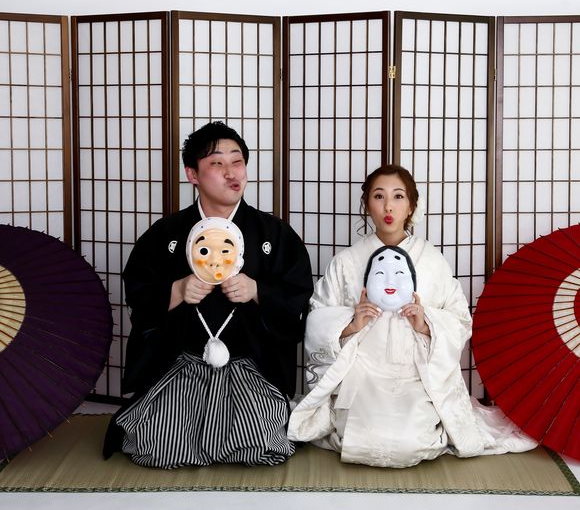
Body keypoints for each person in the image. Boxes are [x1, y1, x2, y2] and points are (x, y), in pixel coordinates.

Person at [287, 164, 536, 468]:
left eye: (398, 196)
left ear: (411, 206)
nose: (388, 207)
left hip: (417, 377)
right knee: (365, 439)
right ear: (367, 204)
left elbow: (459, 319)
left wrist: (426, 322)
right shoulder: (347, 262)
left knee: (407, 443)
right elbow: (317, 318)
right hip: (361, 376)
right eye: (379, 196)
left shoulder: (431, 260)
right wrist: (351, 323)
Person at [103, 121, 313, 468]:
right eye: (217, 163)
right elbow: (139, 292)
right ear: (193, 174)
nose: (232, 172)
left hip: (251, 367)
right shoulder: (166, 234)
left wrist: (257, 291)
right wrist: (177, 290)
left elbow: (297, 296)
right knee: (158, 444)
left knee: (261, 443)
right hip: (180, 365)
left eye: (237, 161)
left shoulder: (273, 234)